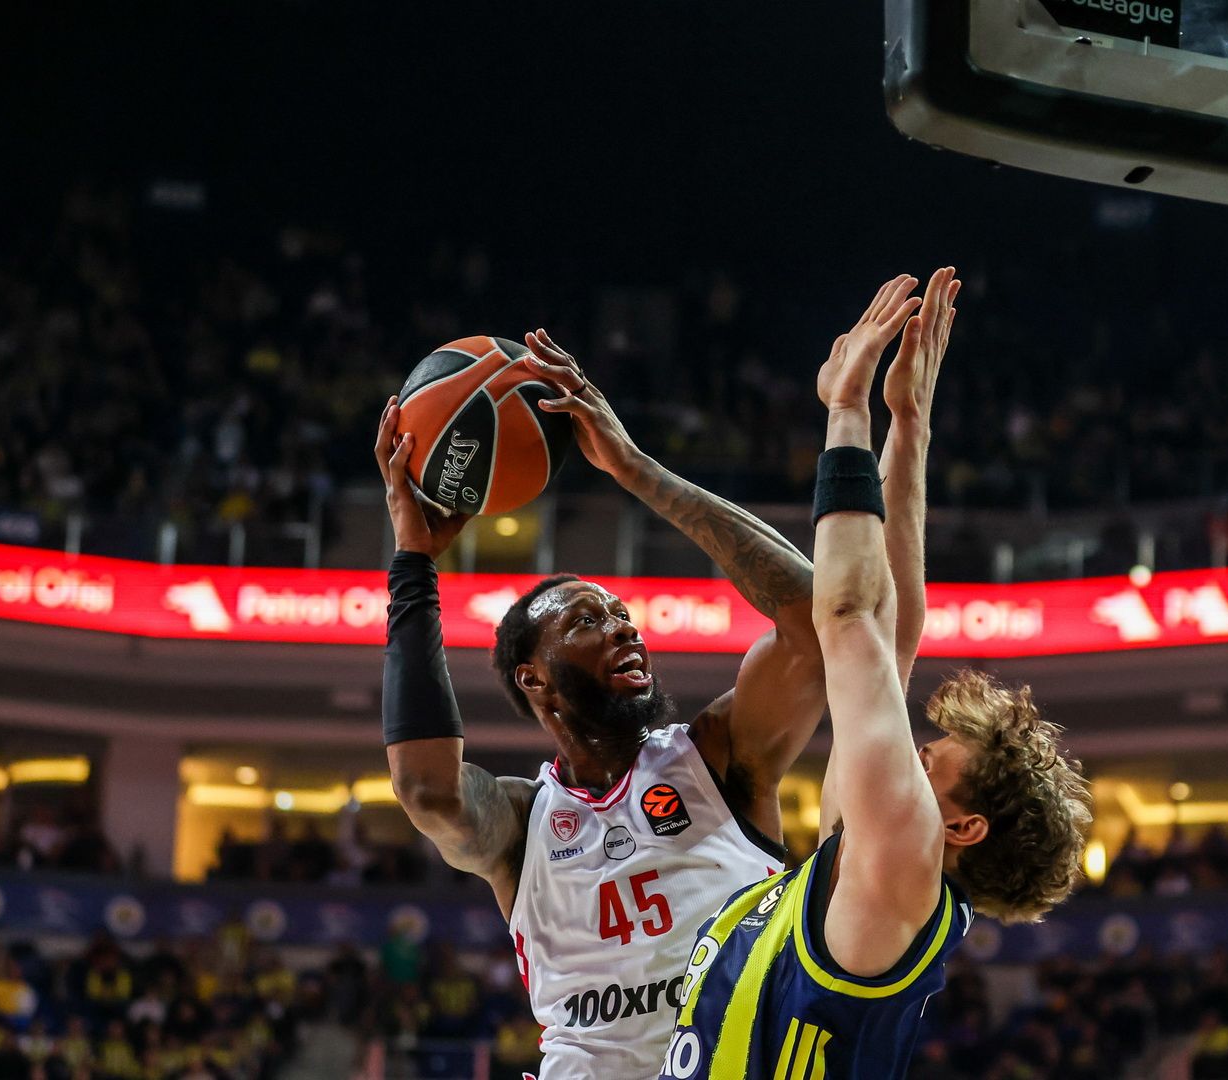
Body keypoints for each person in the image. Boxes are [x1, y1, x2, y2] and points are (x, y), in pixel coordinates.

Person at [375, 274, 931, 1078]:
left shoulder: (718, 759)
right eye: (587, 620)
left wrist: (635, 470)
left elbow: (818, 628)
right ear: (534, 680)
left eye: (623, 614)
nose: (622, 626)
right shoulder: (523, 825)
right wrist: (414, 563)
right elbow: (425, 789)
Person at [657, 269, 1093, 1079]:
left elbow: (852, 619)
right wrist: (909, 426)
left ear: (963, 828)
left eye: (932, 764)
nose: (914, 752)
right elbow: (887, 643)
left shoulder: (901, 855)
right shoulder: (870, 862)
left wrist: (848, 412)